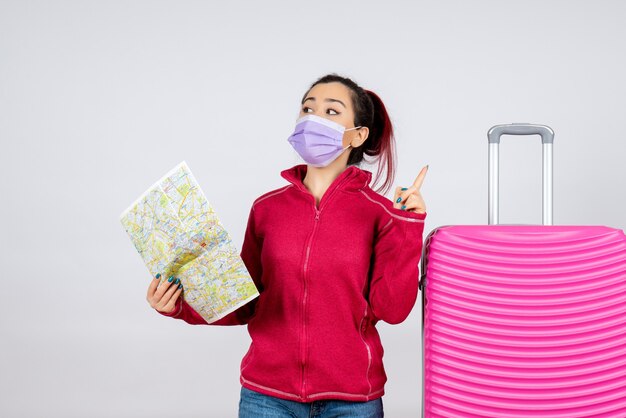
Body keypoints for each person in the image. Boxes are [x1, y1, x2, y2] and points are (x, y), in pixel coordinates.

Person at [146, 73, 428, 418]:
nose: (313, 118)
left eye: (331, 111)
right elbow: (242, 302)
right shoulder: (267, 208)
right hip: (267, 396)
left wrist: (408, 228)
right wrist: (178, 305)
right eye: (307, 108)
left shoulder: (380, 214)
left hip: (352, 398)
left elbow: (393, 309)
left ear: (358, 135)